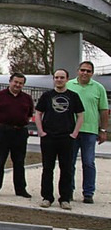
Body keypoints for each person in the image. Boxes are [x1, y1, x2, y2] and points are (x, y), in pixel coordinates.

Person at [35, 69, 84, 210]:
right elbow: (38, 113)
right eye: (56, 77)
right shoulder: (46, 96)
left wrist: (74, 133)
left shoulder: (73, 96)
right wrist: (41, 131)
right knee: (47, 168)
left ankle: (65, 198)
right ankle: (47, 197)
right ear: (54, 79)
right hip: (48, 137)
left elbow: (80, 116)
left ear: (67, 79)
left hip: (66, 138)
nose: (59, 80)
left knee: (67, 169)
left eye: (62, 77)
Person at [66, 61, 109, 204]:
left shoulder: (99, 88)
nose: (85, 73)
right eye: (82, 70)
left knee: (89, 162)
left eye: (88, 71)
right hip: (71, 130)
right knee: (69, 162)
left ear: (92, 73)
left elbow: (103, 110)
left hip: (90, 131)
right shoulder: (69, 85)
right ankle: (68, 190)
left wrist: (103, 130)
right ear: (78, 71)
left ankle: (88, 193)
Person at [0, 72, 34, 198]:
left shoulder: (27, 98)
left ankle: (20, 189)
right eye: (16, 82)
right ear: (10, 81)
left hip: (20, 132)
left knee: (19, 161)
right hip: (2, 131)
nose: (17, 85)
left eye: (20, 83)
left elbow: (30, 114)